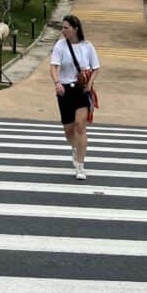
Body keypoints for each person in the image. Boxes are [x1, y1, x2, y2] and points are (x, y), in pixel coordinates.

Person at [49, 14, 100, 181]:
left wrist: (90, 83)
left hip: (82, 90)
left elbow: (96, 68)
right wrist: (57, 83)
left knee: (80, 126)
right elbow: (54, 67)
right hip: (65, 90)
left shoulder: (88, 46)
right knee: (68, 129)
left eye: (66, 28)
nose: (63, 31)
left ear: (75, 29)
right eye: (62, 28)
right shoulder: (60, 46)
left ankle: (80, 165)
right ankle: (74, 147)